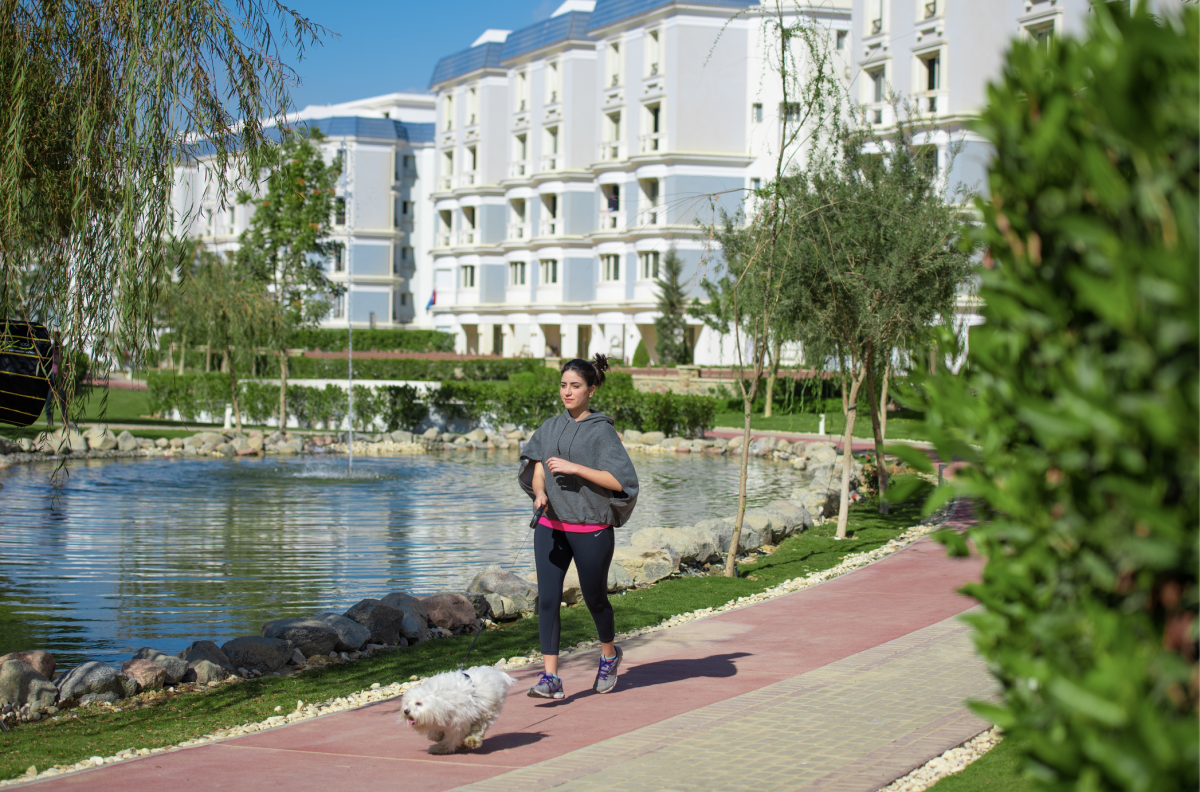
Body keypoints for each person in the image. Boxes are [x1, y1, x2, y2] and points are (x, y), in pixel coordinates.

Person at [518, 354, 639, 699]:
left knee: (595, 599)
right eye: (563, 385)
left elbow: (620, 481)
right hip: (551, 525)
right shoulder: (550, 427)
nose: (567, 392)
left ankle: (609, 656)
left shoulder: (602, 432)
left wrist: (575, 468)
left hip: (591, 528)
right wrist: (540, 493)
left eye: (575, 386)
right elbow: (538, 467)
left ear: (591, 390)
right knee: (548, 599)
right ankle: (551, 678)